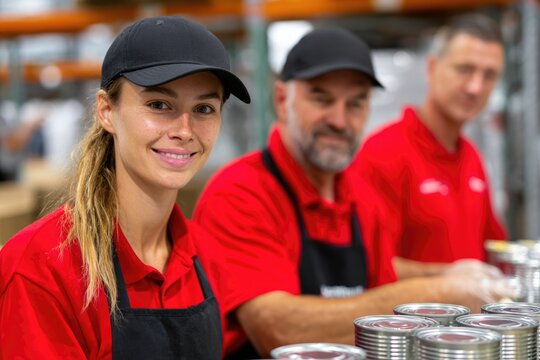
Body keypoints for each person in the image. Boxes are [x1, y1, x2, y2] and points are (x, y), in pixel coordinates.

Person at [193, 27, 515, 359]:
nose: (339, 120)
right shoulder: (241, 193)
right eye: (322, 98)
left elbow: (388, 303)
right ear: (281, 101)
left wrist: (452, 274)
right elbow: (277, 329)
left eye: (356, 103)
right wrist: (440, 289)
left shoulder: (362, 199)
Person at [0, 16, 250, 359]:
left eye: (204, 108)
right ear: (106, 111)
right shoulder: (42, 267)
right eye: (159, 105)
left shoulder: (206, 258)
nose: (185, 129)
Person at [353, 13, 507, 280]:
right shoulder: (383, 153)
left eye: (489, 75)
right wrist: (450, 278)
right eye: (465, 69)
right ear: (432, 68)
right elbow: (367, 266)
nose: (475, 87)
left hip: (470, 321)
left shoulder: (471, 157)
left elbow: (492, 250)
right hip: (410, 321)